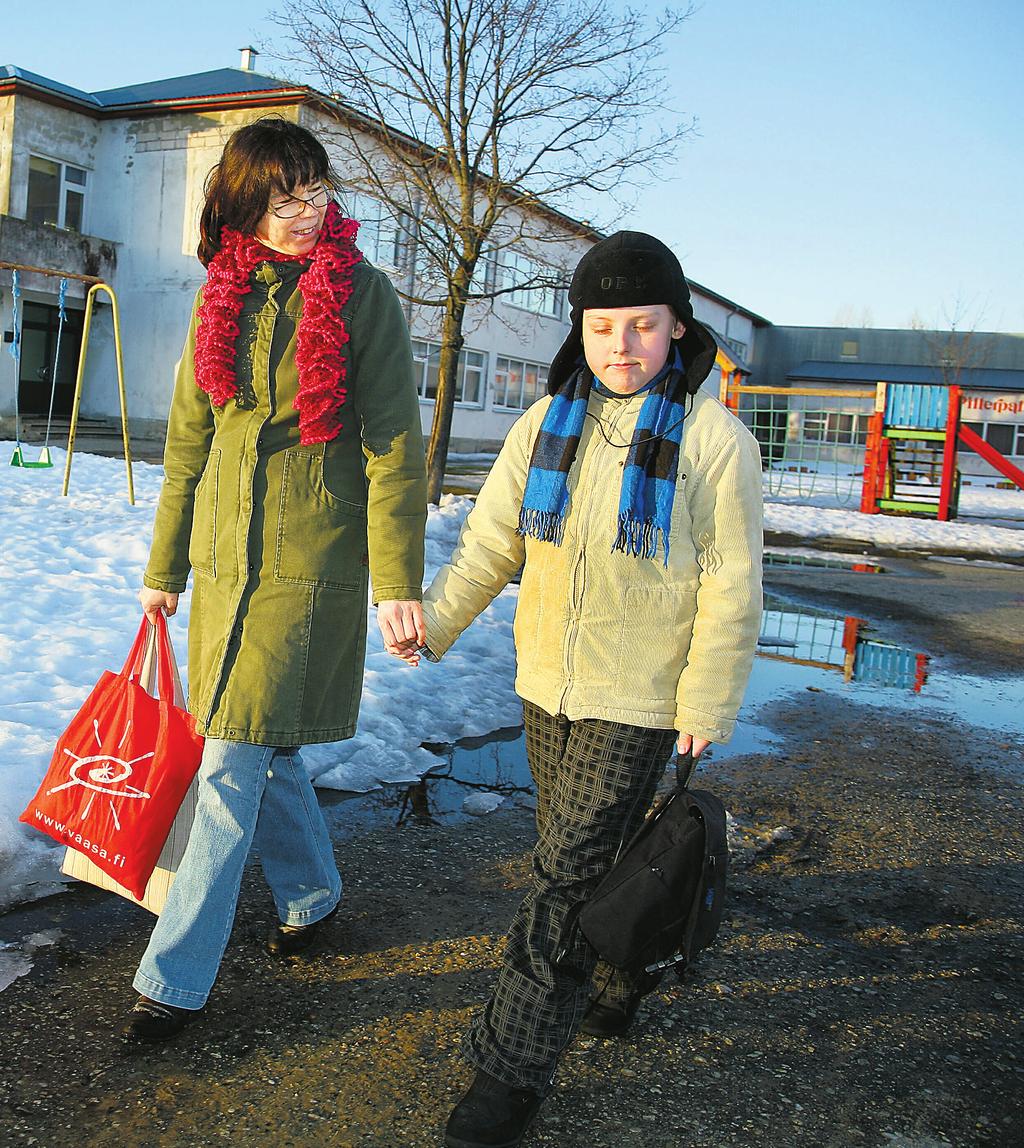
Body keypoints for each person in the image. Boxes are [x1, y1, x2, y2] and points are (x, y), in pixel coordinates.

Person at [387, 232, 763, 1147]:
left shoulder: (715, 442)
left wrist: (706, 702)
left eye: (642, 325)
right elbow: (491, 544)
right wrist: (434, 622)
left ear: (678, 329)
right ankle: (624, 972)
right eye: (602, 326)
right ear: (580, 331)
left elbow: (732, 582)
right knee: (589, 861)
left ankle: (506, 1073)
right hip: (546, 688)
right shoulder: (544, 423)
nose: (621, 345)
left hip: (638, 697)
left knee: (558, 885)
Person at [124, 118, 428, 1043]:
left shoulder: (362, 294)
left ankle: (172, 979)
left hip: (308, 558)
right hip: (221, 560)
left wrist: (396, 582)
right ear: (243, 208)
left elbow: (393, 447)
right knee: (268, 745)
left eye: (315, 192)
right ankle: (311, 895)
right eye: (281, 199)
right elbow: (188, 443)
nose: (305, 214)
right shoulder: (223, 292)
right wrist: (164, 567)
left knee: (229, 762)